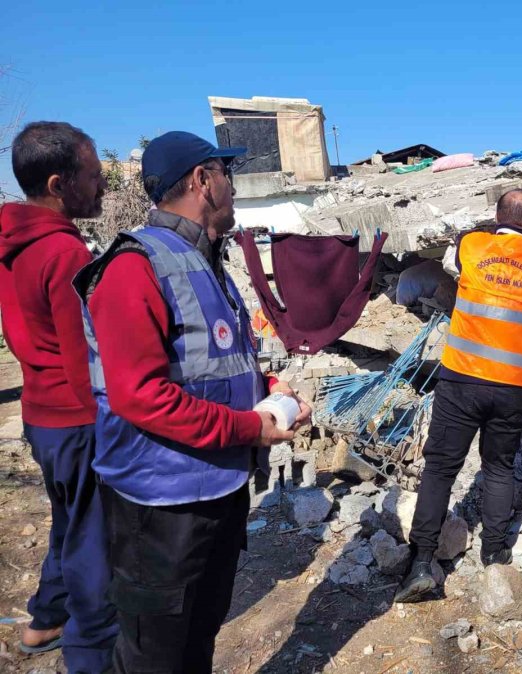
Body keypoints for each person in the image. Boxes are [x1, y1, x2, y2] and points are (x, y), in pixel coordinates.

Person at [74, 131, 311, 673]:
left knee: (197, 638)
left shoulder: (208, 265)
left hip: (217, 493)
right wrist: (252, 430)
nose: (232, 185)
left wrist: (272, 395)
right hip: (160, 509)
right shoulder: (133, 267)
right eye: (225, 173)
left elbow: (217, 366)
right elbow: (142, 397)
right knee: (154, 656)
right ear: (203, 181)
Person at [395, 188, 522, 603]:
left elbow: (463, 244)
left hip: (462, 380)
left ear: (496, 218)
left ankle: (421, 564)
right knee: (499, 468)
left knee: (440, 470)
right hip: (513, 387)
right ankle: (494, 552)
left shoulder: (473, 246)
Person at [0, 122, 117, 670]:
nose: (102, 188)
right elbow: (84, 356)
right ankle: (92, 650)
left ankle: (47, 617)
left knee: (69, 517)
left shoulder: (12, 243)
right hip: (76, 417)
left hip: (41, 414)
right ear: (58, 183)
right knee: (96, 538)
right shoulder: (64, 254)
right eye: (93, 177)